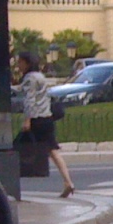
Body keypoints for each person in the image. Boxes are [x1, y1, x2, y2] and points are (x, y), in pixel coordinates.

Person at [16, 51, 74, 197]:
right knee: (53, 150)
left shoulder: (29, 78)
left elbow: (30, 100)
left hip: (37, 120)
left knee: (17, 148)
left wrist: (27, 119)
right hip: (47, 118)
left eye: (20, 62)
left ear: (27, 63)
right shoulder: (40, 76)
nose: (18, 65)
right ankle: (68, 181)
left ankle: (7, 184)